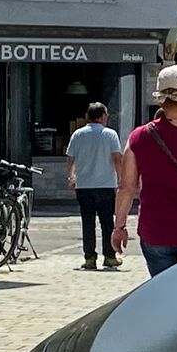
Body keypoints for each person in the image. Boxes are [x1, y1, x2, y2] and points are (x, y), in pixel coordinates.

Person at [113, 64, 177, 276]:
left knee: (163, 294)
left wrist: (119, 227)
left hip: (155, 232)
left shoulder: (139, 137)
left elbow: (126, 187)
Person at [65, 101, 123, 272]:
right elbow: (117, 158)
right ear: (103, 116)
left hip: (84, 185)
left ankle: (90, 258)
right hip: (105, 184)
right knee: (107, 222)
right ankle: (110, 256)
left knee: (87, 222)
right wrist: (121, 179)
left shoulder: (78, 134)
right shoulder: (110, 134)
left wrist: (71, 176)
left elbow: (70, 158)